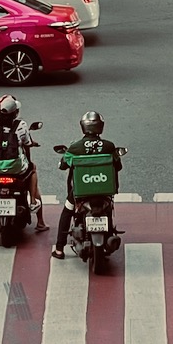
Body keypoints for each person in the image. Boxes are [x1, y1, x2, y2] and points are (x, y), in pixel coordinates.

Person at [51, 111, 122, 260]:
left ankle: (59, 249)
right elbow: (118, 166)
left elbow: (63, 165)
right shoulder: (109, 146)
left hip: (80, 192)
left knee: (67, 211)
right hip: (104, 192)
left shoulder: (75, 148)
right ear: (100, 127)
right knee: (108, 207)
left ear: (83, 127)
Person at [0, 94, 47, 234]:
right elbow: (27, 146)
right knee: (33, 169)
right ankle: (36, 212)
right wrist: (28, 161)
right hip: (17, 169)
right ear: (16, 112)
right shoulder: (21, 126)